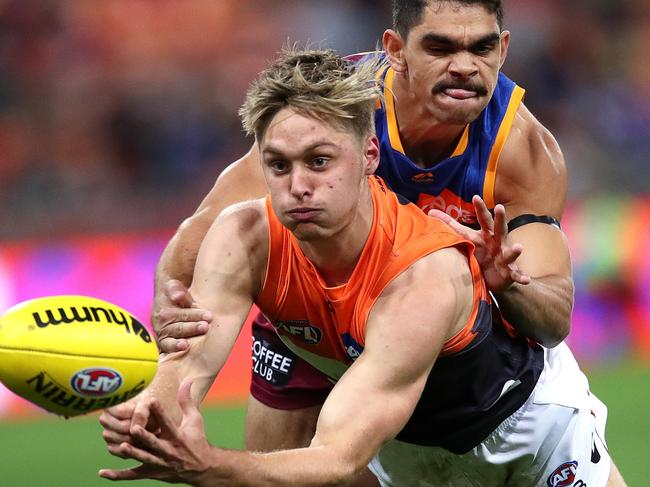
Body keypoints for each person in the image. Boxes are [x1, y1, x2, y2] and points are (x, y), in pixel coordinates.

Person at [147, 1, 627, 484]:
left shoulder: (522, 151)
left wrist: (507, 283)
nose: (464, 65)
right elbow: (207, 227)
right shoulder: (332, 111)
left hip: (475, 362)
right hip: (327, 314)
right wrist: (170, 299)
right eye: (440, 46)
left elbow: (554, 320)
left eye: (481, 47)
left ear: (503, 50)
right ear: (395, 50)